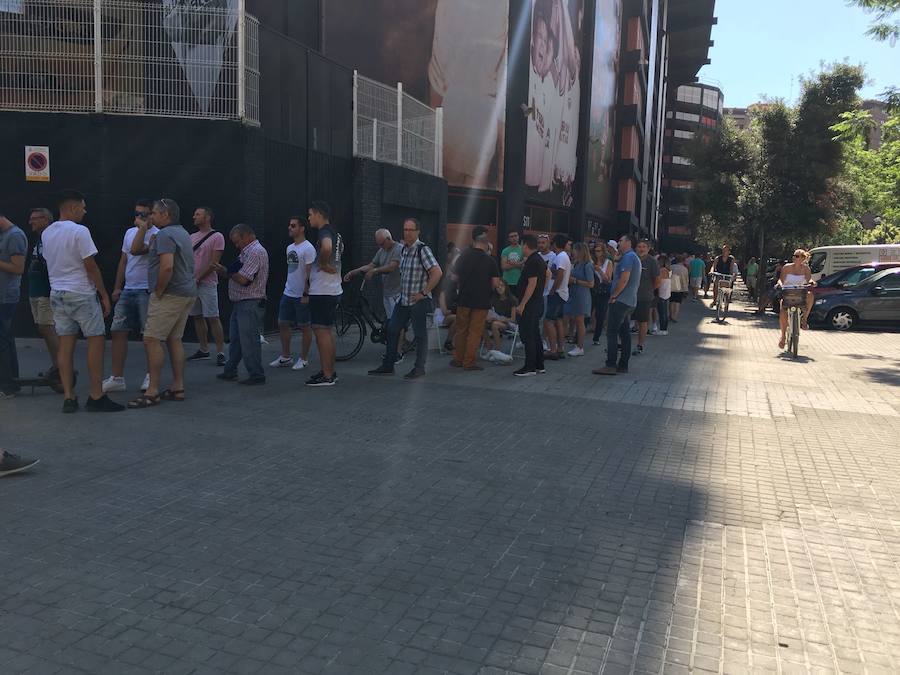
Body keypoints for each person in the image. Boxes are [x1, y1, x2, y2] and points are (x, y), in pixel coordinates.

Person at [42, 190, 123, 413]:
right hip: (81, 293)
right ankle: (96, 395)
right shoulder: (80, 231)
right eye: (83, 207)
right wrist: (104, 294)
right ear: (73, 208)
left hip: (57, 292)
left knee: (66, 345)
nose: (85, 212)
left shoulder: (47, 233)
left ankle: (69, 396)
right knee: (95, 340)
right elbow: (90, 265)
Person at [127, 198, 197, 407]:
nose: (151, 217)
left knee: (151, 339)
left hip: (170, 294)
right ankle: (178, 387)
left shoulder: (165, 235)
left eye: (154, 214)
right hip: (186, 293)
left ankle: (152, 391)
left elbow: (167, 266)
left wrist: (158, 290)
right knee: (174, 339)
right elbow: (136, 250)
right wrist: (143, 229)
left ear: (165, 215)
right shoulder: (182, 233)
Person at [368, 218, 442, 380]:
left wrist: (423, 293)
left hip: (418, 301)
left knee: (420, 334)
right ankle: (388, 365)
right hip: (403, 300)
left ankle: (419, 368)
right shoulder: (404, 250)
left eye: (410, 230)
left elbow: (437, 272)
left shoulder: (422, 250)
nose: (407, 233)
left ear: (417, 232)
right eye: (405, 229)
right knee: (392, 329)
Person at [102, 199, 157, 394]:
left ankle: (151, 377)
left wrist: (142, 228)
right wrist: (118, 287)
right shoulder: (129, 232)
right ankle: (117, 378)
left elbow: (137, 250)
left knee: (149, 336)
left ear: (153, 215)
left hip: (147, 290)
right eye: (137, 214)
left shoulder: (158, 235)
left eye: (143, 214)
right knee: (117, 331)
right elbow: (124, 261)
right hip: (128, 289)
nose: (138, 218)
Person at [214, 223, 269, 387]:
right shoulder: (247, 252)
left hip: (249, 302)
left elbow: (244, 279)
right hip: (241, 302)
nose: (236, 245)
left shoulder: (255, 252)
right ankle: (231, 370)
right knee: (237, 340)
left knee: (249, 340)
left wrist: (226, 271)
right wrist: (226, 271)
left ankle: (256, 374)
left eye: (237, 241)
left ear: (246, 236)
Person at [450, 230, 500, 370]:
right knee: (474, 332)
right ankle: (469, 362)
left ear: (474, 242)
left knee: (461, 330)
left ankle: (458, 359)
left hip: (464, 299)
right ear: (485, 244)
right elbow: (495, 283)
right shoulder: (490, 261)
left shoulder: (463, 257)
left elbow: (453, 277)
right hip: (481, 302)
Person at [306, 201, 344, 387]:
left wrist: (321, 263)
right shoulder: (336, 233)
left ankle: (327, 375)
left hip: (322, 290)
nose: (309, 218)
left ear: (319, 214)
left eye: (310, 214)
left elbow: (327, 248)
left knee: (321, 331)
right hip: (332, 288)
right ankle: (329, 371)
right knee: (326, 331)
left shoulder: (324, 232)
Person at [593, 234, 641, 377]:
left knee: (612, 332)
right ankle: (623, 365)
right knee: (624, 333)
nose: (618, 243)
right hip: (628, 301)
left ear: (628, 242)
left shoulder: (628, 257)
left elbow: (624, 279)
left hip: (620, 301)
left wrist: (614, 295)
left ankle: (610, 365)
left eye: (620, 241)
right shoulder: (632, 257)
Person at [271, 216, 316, 371]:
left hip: (301, 294)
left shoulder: (308, 248)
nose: (289, 228)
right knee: (282, 322)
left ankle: (303, 359)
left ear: (302, 228)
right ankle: (286, 356)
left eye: (293, 225)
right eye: (289, 225)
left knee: (305, 327)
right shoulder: (289, 248)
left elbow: (310, 273)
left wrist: (306, 294)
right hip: (288, 292)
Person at [186, 207, 226, 365]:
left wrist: (198, 277)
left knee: (213, 317)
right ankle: (203, 349)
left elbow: (214, 263)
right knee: (197, 316)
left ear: (207, 217)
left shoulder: (217, 237)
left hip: (207, 283)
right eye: (194, 213)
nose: (194, 216)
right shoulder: (191, 237)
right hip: (192, 283)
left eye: (198, 214)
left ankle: (221, 352)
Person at [25, 208, 59, 377]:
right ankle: (57, 365)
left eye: (34, 218)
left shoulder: (51, 238)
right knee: (43, 328)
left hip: (45, 291)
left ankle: (62, 367)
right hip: (35, 290)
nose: (31, 222)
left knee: (47, 327)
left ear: (45, 219)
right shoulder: (40, 238)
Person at [344, 228, 402, 323]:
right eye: (378, 244)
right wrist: (353, 272)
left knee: (397, 322)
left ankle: (398, 338)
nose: (380, 246)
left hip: (398, 293)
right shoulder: (382, 250)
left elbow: (391, 267)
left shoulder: (398, 249)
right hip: (387, 292)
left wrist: (374, 271)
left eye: (382, 243)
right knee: (391, 320)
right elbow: (371, 265)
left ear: (388, 239)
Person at [0, 212, 27, 400]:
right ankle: (10, 383)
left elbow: (18, 268)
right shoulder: (5, 235)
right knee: (5, 339)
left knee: (3, 342)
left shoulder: (14, 236)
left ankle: (8, 385)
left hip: (5, 297)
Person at [513, 234, 547, 377]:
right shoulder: (537, 259)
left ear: (525, 245)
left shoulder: (533, 261)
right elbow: (548, 275)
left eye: (521, 245)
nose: (521, 248)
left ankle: (530, 366)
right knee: (535, 334)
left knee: (529, 335)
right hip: (536, 302)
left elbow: (531, 284)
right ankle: (539, 364)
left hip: (530, 304)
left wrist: (522, 304)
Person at [777, 249, 815, 347]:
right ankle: (783, 336)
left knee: (810, 295)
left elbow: (808, 279)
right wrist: (780, 285)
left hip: (800, 293)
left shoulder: (806, 269)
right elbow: (781, 280)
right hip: (788, 293)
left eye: (797, 256)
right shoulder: (786, 267)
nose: (795, 258)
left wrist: (811, 282)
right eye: (794, 256)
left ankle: (804, 319)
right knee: (782, 309)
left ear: (803, 258)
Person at [543, 234, 571, 360]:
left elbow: (560, 274)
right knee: (558, 321)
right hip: (561, 293)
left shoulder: (560, 257)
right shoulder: (563, 256)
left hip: (557, 293)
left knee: (549, 321)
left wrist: (553, 289)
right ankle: (560, 348)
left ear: (554, 244)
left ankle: (553, 349)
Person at [563, 242, 594, 356]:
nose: (572, 252)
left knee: (580, 321)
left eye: (574, 250)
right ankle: (571, 340)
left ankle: (580, 346)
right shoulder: (576, 264)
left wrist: (575, 281)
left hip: (582, 295)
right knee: (570, 318)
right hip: (573, 294)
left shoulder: (588, 265)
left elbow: (591, 283)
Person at [632, 239, 659, 356]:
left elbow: (657, 281)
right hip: (630, 296)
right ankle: (621, 344)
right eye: (639, 246)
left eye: (644, 247)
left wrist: (648, 291)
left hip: (644, 297)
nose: (641, 249)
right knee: (625, 320)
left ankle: (640, 345)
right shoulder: (632, 259)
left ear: (648, 249)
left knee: (642, 321)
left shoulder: (652, 262)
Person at [591, 240, 614, 345]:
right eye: (596, 251)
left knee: (600, 314)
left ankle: (596, 337)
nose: (597, 253)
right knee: (588, 312)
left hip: (603, 290)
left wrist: (599, 270)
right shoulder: (592, 261)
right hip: (592, 289)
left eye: (599, 251)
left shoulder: (608, 262)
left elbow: (608, 279)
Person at [486, 279, 518, 351]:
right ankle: (488, 344)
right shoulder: (494, 299)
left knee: (495, 324)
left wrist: (498, 319)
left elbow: (513, 319)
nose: (500, 288)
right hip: (496, 320)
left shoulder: (512, 300)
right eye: (497, 287)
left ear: (506, 287)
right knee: (480, 323)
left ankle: (498, 350)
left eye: (502, 286)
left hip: (509, 324)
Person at [669, 254, 689, 322]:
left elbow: (669, 276)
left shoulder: (671, 267)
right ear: (683, 261)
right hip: (680, 287)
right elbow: (686, 279)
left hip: (672, 286)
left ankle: (671, 315)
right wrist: (686, 289)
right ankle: (675, 316)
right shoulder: (685, 269)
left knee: (671, 301)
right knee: (678, 302)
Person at [656, 254, 671, 336]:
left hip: (661, 293)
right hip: (666, 293)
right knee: (664, 312)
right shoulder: (668, 270)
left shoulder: (662, 270)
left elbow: (658, 281)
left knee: (662, 312)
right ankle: (664, 328)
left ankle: (663, 329)